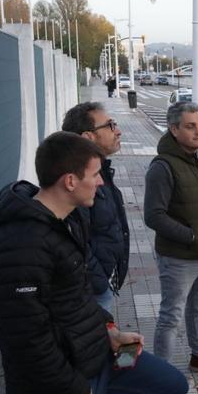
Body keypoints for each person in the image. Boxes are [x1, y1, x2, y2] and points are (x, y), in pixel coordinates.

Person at [0, 131, 192, 394]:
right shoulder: (20, 244)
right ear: (69, 181)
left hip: (96, 353)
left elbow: (77, 298)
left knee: (171, 386)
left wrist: (111, 331)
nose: (100, 183)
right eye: (95, 175)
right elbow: (25, 338)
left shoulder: (68, 220)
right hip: (61, 381)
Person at [144, 102, 198, 375]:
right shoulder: (163, 167)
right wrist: (192, 236)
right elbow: (153, 216)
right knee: (171, 316)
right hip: (179, 257)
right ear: (174, 129)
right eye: (190, 126)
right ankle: (163, 377)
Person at [61, 102, 129, 313]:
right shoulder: (77, 180)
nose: (117, 131)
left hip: (102, 283)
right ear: (88, 137)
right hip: (94, 291)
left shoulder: (99, 170)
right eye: (110, 125)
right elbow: (74, 242)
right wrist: (100, 282)